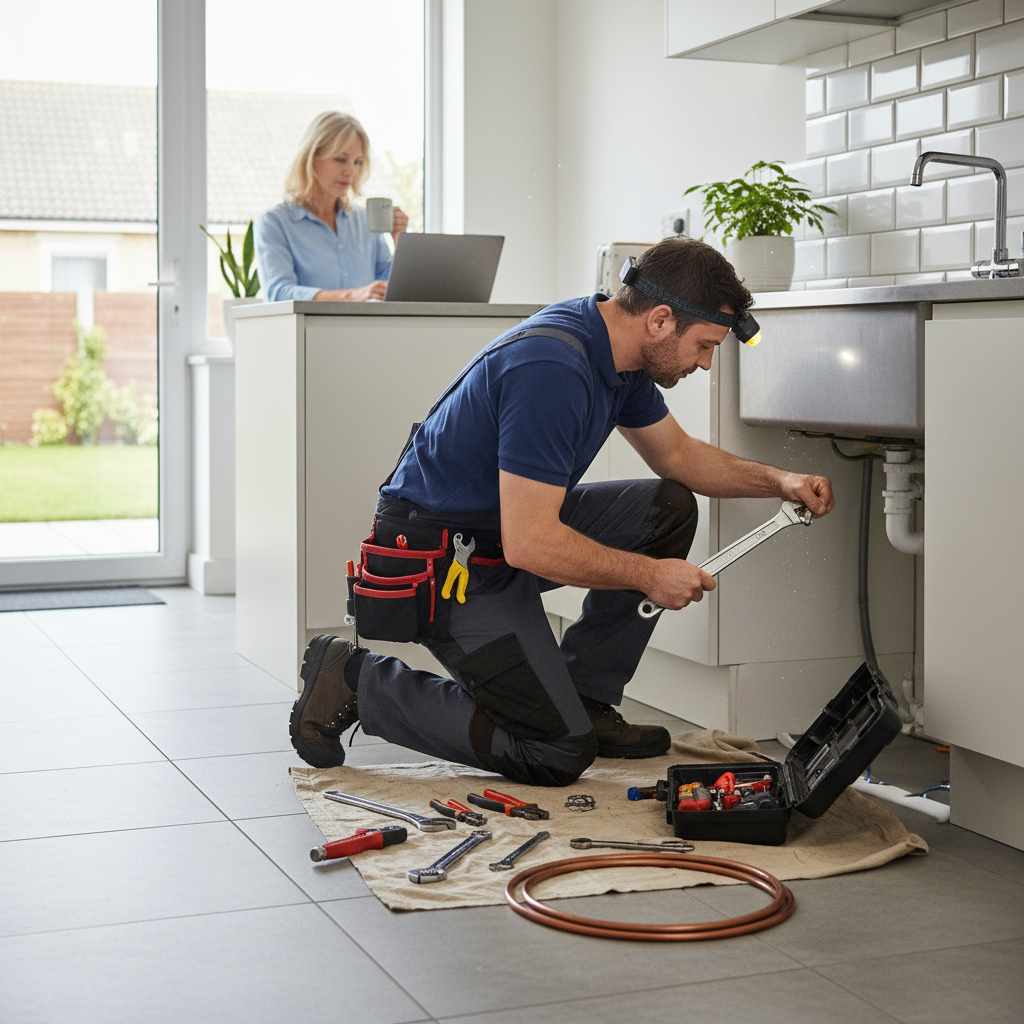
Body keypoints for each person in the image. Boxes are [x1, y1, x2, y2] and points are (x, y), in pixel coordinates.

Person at [288, 237, 835, 787]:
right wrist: (650, 574)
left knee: (665, 507)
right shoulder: (553, 368)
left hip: (498, 533)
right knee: (553, 751)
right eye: (705, 345)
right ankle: (359, 682)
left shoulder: (617, 355)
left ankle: (585, 699)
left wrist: (779, 481)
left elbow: (678, 456)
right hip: (443, 559)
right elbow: (532, 544)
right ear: (662, 321)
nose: (706, 362)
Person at [254, 111, 409, 303]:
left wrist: (399, 241)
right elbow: (279, 293)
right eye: (341, 159)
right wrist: (352, 296)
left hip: (367, 332)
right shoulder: (275, 222)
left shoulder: (365, 221)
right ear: (311, 157)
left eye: (358, 162)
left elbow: (389, 289)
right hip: (307, 332)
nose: (350, 172)